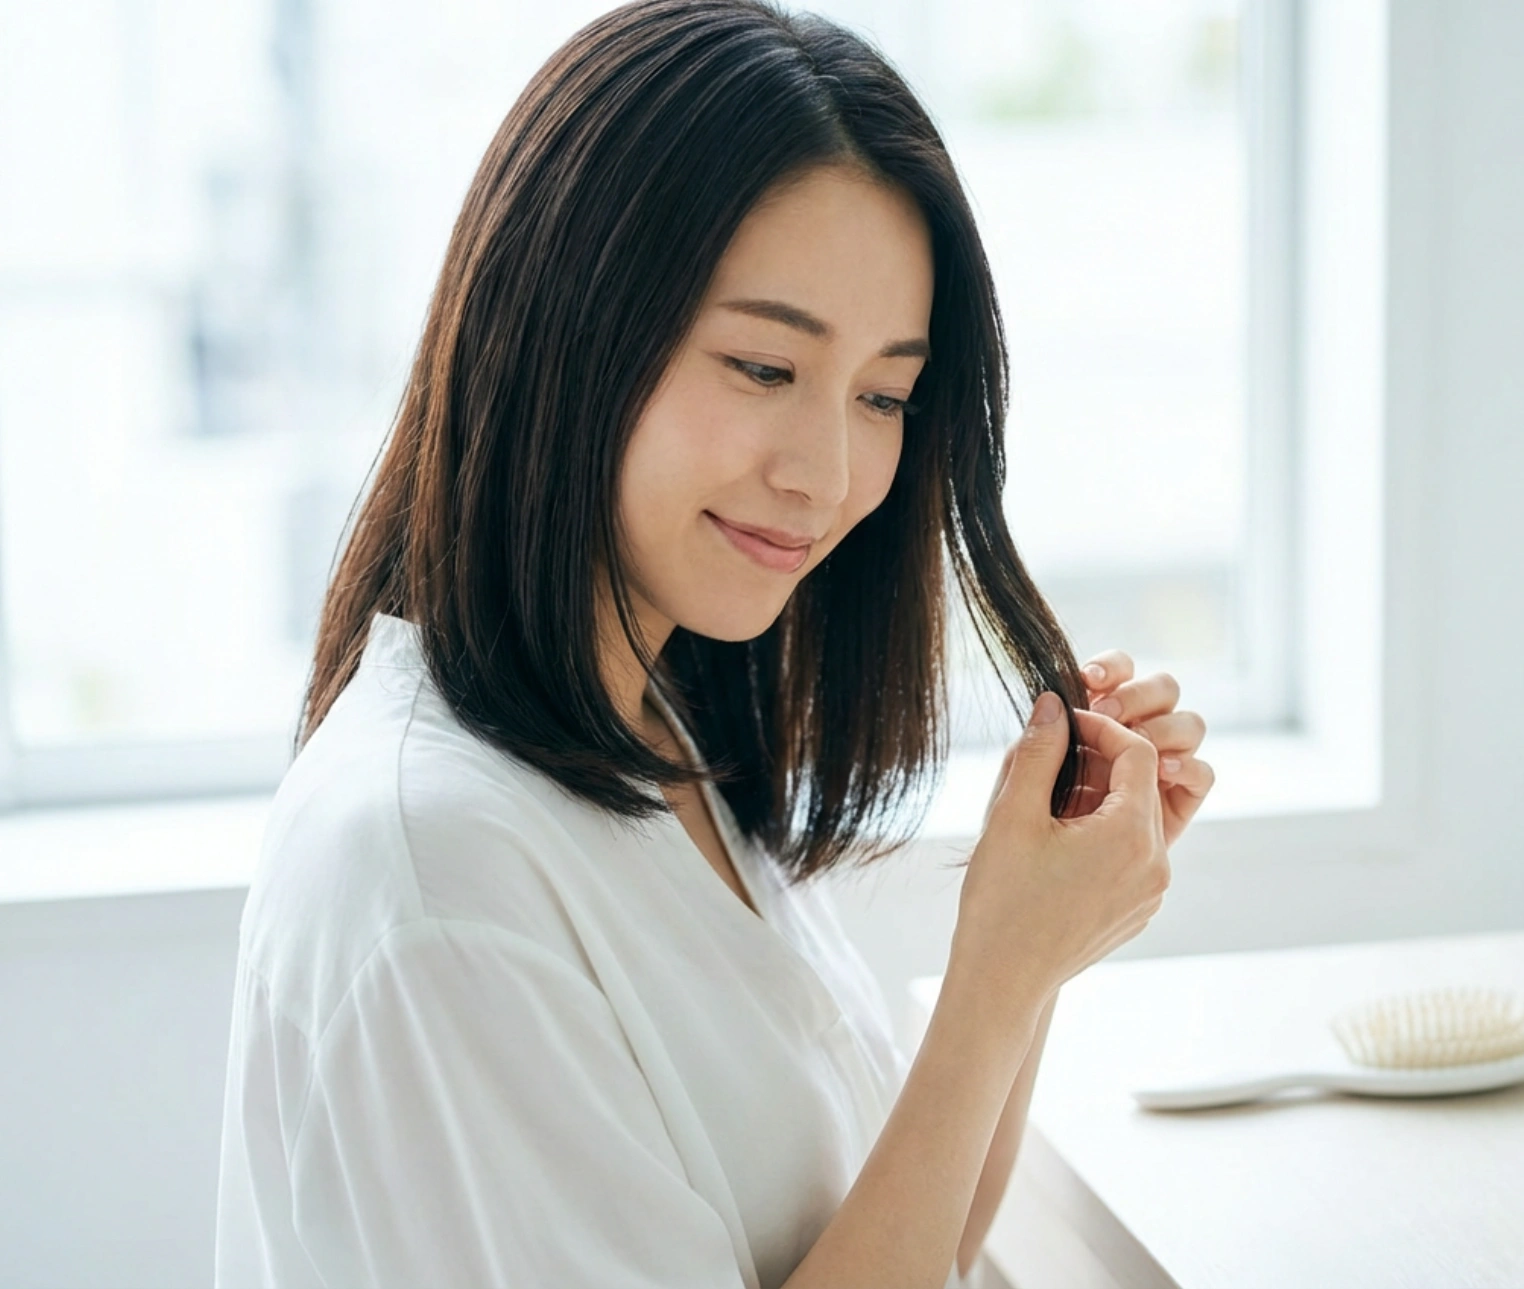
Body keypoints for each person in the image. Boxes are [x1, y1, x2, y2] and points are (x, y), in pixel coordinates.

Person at [213, 1, 1214, 1285]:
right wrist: (991, 984)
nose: (829, 470)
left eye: (883, 394)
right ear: (566, 327)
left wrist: (1034, 954)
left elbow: (919, 1248)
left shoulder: (654, 731)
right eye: (761, 367)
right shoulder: (437, 877)